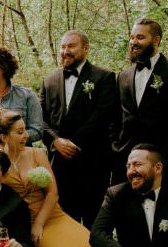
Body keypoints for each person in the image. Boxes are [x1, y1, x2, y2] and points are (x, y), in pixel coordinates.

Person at [0, 109, 121, 247]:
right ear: (4, 137)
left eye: (25, 131)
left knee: (89, 246)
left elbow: (53, 193)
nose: (26, 136)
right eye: (20, 132)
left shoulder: (36, 154)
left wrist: (40, 224)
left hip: (53, 216)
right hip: (25, 225)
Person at [40, 30, 117, 228]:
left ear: (85, 48)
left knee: (95, 224)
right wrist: (56, 141)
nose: (65, 51)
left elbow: (103, 115)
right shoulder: (48, 82)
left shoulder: (104, 77)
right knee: (66, 225)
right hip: (60, 166)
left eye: (71, 46)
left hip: (93, 163)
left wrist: (73, 143)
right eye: (63, 47)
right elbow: (39, 119)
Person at [112, 18, 168, 183]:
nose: (133, 42)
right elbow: (116, 115)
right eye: (131, 37)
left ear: (156, 40)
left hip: (160, 159)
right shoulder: (124, 76)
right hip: (124, 159)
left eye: (140, 37)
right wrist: (115, 146)